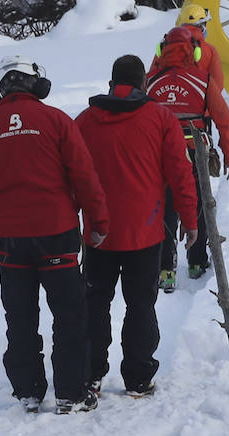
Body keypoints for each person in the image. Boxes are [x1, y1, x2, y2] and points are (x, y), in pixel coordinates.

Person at [0, 55, 109, 413]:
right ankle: (71, 394)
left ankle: (28, 390)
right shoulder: (56, 120)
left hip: (9, 242)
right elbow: (85, 177)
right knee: (70, 315)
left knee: (20, 318)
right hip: (57, 234)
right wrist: (99, 222)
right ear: (37, 84)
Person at [75, 55, 199, 398]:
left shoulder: (84, 122)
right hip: (145, 234)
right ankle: (138, 377)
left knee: (96, 303)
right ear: (143, 82)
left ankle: (90, 374)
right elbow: (180, 175)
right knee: (141, 305)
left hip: (98, 236)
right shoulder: (161, 119)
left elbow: (70, 178)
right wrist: (190, 222)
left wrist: (74, 226)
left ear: (112, 82)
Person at [145, 25, 229, 290]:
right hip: (195, 155)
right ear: (194, 52)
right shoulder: (202, 80)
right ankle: (196, 263)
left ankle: (165, 270)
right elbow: (224, 120)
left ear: (161, 51)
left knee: (164, 210)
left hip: (158, 157)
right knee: (197, 206)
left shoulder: (150, 82)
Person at [147, 4, 225, 93]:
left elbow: (151, 78)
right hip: (196, 103)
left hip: (164, 100)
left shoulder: (165, 46)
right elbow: (218, 85)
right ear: (202, 26)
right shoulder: (210, 50)